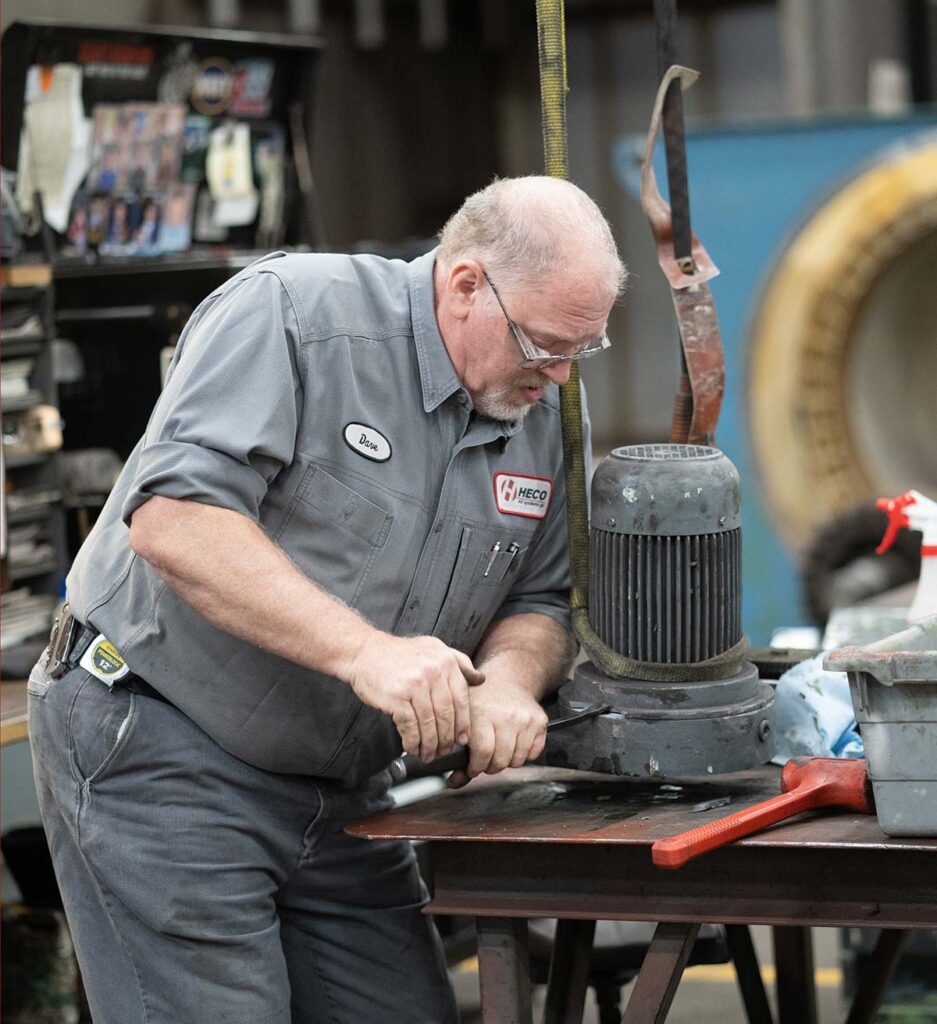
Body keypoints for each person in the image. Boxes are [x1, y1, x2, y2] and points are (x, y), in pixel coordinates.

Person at [29, 176, 626, 1024]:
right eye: (543, 344)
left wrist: (507, 681)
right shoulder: (296, 317)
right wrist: (368, 653)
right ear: (464, 285)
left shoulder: (538, 404)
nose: (561, 376)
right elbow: (175, 522)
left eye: (582, 351)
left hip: (341, 785)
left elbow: (540, 593)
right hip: (165, 745)